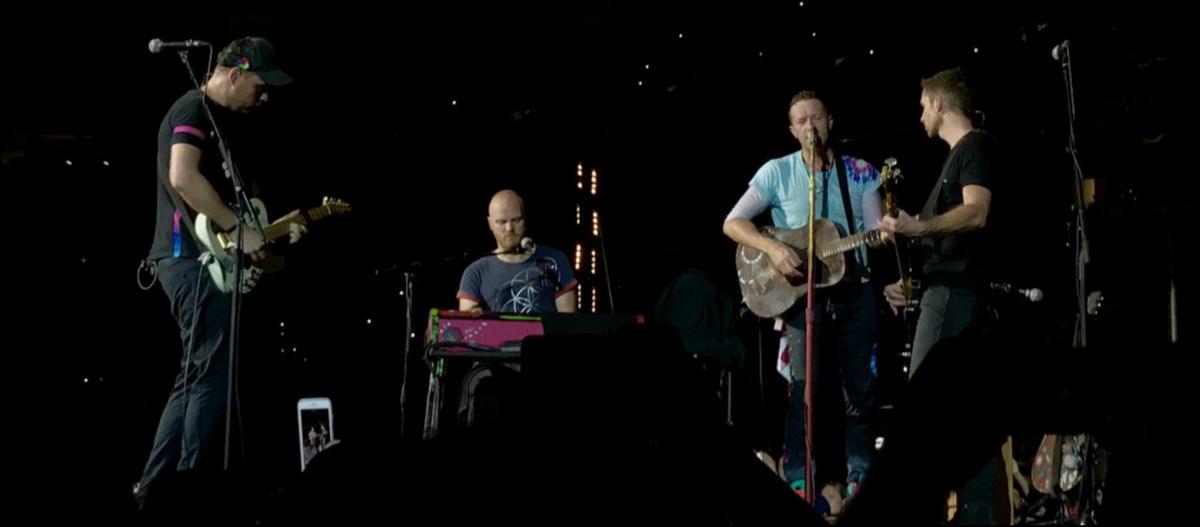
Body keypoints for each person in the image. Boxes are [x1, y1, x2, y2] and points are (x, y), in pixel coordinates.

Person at [136, 36, 301, 501]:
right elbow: (182, 176)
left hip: (197, 259)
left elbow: (232, 213)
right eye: (260, 85)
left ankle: (154, 489)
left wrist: (269, 235)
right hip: (189, 259)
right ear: (234, 73)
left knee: (194, 377)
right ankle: (187, 491)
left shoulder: (219, 123)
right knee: (209, 378)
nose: (264, 97)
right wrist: (238, 229)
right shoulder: (192, 108)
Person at [723, 91, 883, 510]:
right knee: (803, 389)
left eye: (817, 117)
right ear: (792, 131)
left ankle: (859, 478)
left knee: (859, 389)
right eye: (801, 120)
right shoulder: (776, 172)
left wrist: (889, 233)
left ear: (830, 121)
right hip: (800, 299)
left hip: (855, 293)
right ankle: (798, 479)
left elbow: (874, 233)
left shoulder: (861, 172)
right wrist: (774, 249)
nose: (810, 125)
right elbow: (733, 223)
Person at [879, 66, 1005, 524]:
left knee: (926, 407)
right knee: (962, 410)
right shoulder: (957, 157)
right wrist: (908, 285)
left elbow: (977, 212)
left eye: (922, 107)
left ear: (938, 103)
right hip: (945, 291)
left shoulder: (975, 146)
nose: (920, 117)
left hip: (955, 292)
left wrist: (917, 227)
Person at [457, 190, 578, 314]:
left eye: (516, 220)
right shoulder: (476, 273)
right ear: (490, 224)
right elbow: (467, 323)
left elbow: (567, 321)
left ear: (525, 219)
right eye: (501, 222)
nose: (509, 228)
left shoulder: (554, 260)